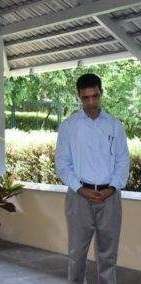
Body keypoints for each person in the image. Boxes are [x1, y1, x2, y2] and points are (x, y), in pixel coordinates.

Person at [55, 73, 130, 283]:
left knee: (108, 256)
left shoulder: (115, 125)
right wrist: (80, 188)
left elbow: (123, 160)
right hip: (79, 198)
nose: (91, 103)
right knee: (76, 255)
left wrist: (112, 188)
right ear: (79, 96)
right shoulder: (69, 126)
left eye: (95, 96)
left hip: (110, 197)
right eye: (86, 98)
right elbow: (62, 164)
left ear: (101, 93)